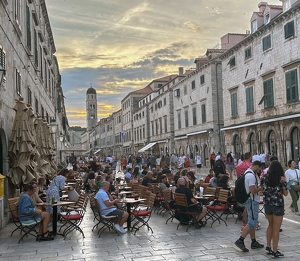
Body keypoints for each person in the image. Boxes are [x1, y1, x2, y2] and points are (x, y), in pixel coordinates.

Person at [234, 160, 264, 253]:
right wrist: (260, 187)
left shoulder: (247, 172)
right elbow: (253, 191)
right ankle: (240, 240)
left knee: (252, 221)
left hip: (250, 200)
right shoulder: (251, 176)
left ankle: (253, 241)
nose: (259, 171)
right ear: (256, 167)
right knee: (252, 222)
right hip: (252, 200)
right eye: (259, 169)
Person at [261, 161, 287, 258]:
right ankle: (275, 250)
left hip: (267, 204)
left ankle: (268, 246)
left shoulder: (264, 179)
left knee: (270, 225)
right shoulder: (281, 180)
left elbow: (262, 190)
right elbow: (285, 193)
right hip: (278, 205)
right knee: (276, 228)